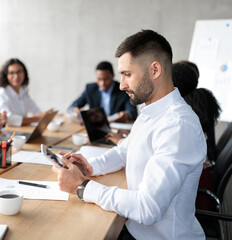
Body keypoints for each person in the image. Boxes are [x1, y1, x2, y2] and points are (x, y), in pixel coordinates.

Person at [52, 30, 206, 239]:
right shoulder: (150, 111)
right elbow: (123, 151)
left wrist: (82, 187)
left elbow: (148, 208)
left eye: (127, 74)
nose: (122, 85)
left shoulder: (178, 126)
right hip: (134, 229)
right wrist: (90, 167)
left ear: (154, 70)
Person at [0, 58, 52, 126]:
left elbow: (36, 111)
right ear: (6, 75)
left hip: (20, 131)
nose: (16, 76)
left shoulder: (22, 92)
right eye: (11, 73)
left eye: (19, 72)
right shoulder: (0, 93)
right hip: (4, 133)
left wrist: (45, 115)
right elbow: (9, 119)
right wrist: (37, 118)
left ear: (24, 73)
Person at [67, 61, 137, 122]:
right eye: (99, 79)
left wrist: (126, 115)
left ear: (112, 76)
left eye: (106, 79)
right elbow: (72, 106)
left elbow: (132, 112)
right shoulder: (90, 89)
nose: (102, 83)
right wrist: (75, 110)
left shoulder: (123, 90)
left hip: (116, 128)